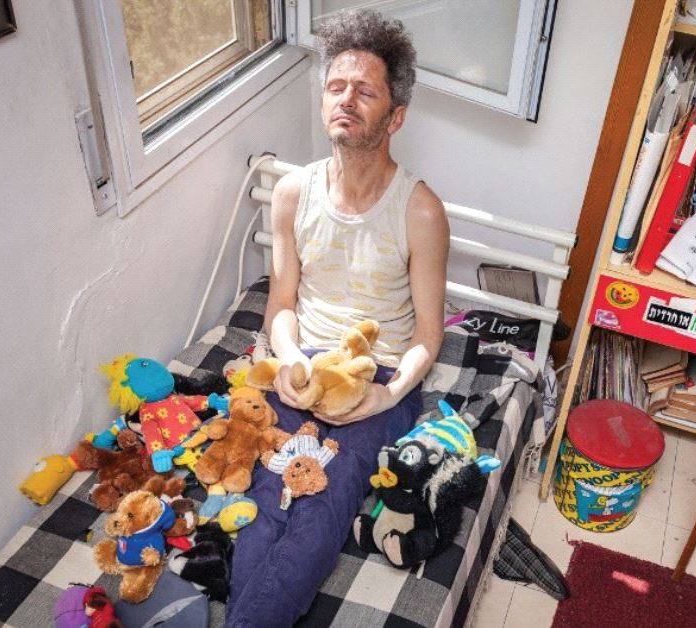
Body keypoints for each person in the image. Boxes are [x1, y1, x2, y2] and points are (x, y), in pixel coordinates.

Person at [225, 9, 450, 627]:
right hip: (304, 364)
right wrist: (289, 359)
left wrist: (388, 395)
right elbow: (281, 305)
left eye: (365, 91)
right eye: (335, 86)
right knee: (267, 493)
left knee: (322, 504)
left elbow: (429, 334)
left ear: (395, 116)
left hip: (377, 375)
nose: (345, 99)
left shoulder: (420, 211)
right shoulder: (292, 194)